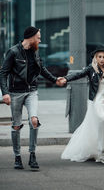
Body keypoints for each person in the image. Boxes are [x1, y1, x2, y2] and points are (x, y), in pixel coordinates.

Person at [0, 26, 66, 170]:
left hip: (32, 91)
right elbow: (3, 73)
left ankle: (32, 155)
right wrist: (5, 93)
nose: (40, 40)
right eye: (38, 37)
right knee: (16, 125)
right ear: (30, 37)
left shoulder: (35, 52)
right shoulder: (13, 52)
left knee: (34, 121)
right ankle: (17, 157)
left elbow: (42, 69)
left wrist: (55, 79)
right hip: (15, 92)